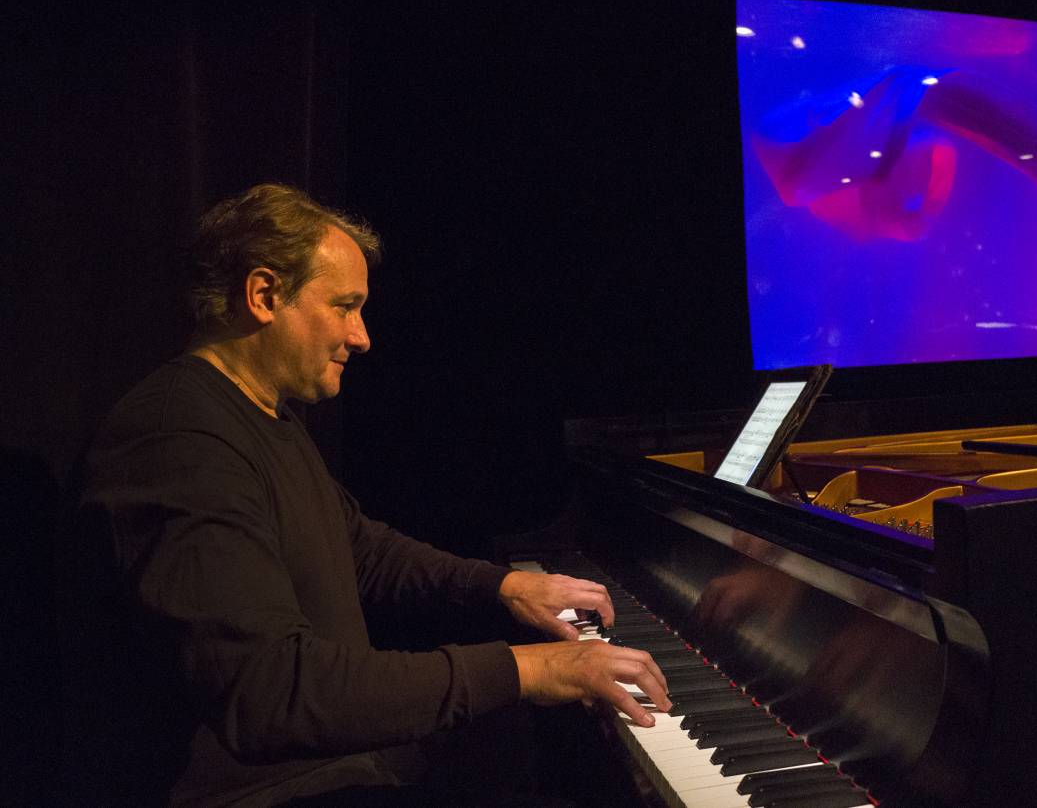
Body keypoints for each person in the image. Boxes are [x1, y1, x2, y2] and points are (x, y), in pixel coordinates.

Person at [66, 183, 670, 807]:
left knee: (529, 757)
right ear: (264, 295)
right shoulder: (177, 441)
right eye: (345, 306)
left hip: (323, 767)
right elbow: (272, 693)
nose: (362, 337)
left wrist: (502, 586)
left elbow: (359, 546)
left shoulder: (262, 415)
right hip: (264, 791)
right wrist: (533, 668)